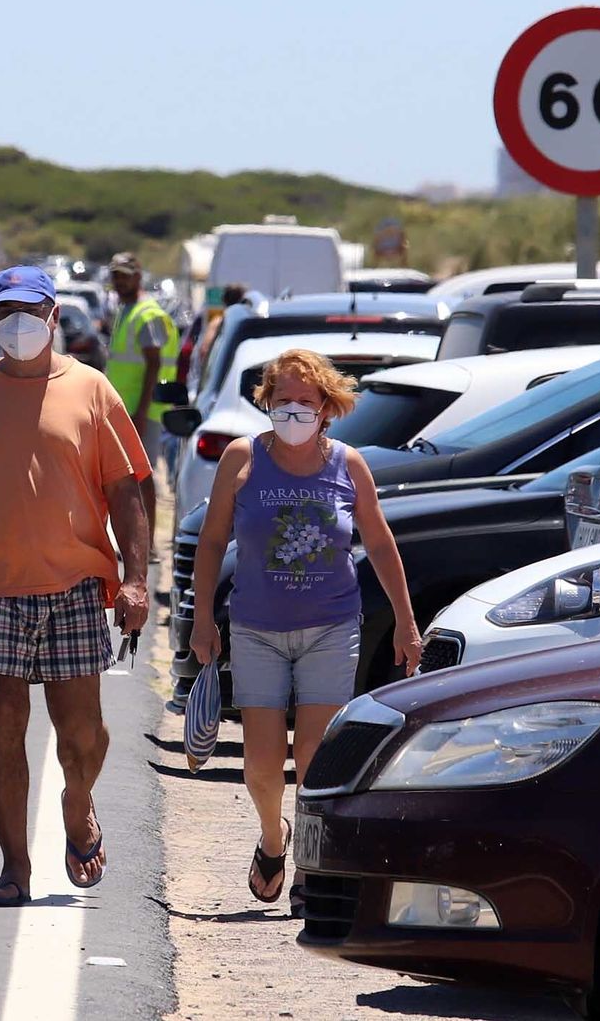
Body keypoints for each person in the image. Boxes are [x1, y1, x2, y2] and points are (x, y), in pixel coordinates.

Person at [0, 265, 152, 906]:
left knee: (82, 734)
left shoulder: (92, 391)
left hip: (74, 584)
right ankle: (14, 870)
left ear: (52, 315)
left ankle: (78, 804)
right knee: (2, 726)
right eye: (5, 313)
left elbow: (125, 490)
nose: (17, 324)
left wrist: (135, 578)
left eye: (29, 311)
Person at [188, 349, 421, 911]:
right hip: (256, 629)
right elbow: (213, 541)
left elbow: (381, 544)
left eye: (306, 402)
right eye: (283, 400)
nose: (294, 410)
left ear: (327, 408)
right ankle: (274, 839)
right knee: (262, 764)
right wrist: (200, 617)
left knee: (314, 758)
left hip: (331, 626)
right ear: (266, 403)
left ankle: (309, 874)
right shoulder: (242, 458)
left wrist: (407, 623)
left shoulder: (348, 463)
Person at [104, 252, 178, 555]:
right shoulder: (127, 310)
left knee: (143, 474)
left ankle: (146, 544)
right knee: (128, 474)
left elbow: (153, 364)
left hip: (140, 412)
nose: (119, 281)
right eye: (116, 275)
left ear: (138, 276)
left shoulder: (147, 314)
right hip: (125, 410)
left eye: (125, 275)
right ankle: (135, 538)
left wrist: (141, 411)